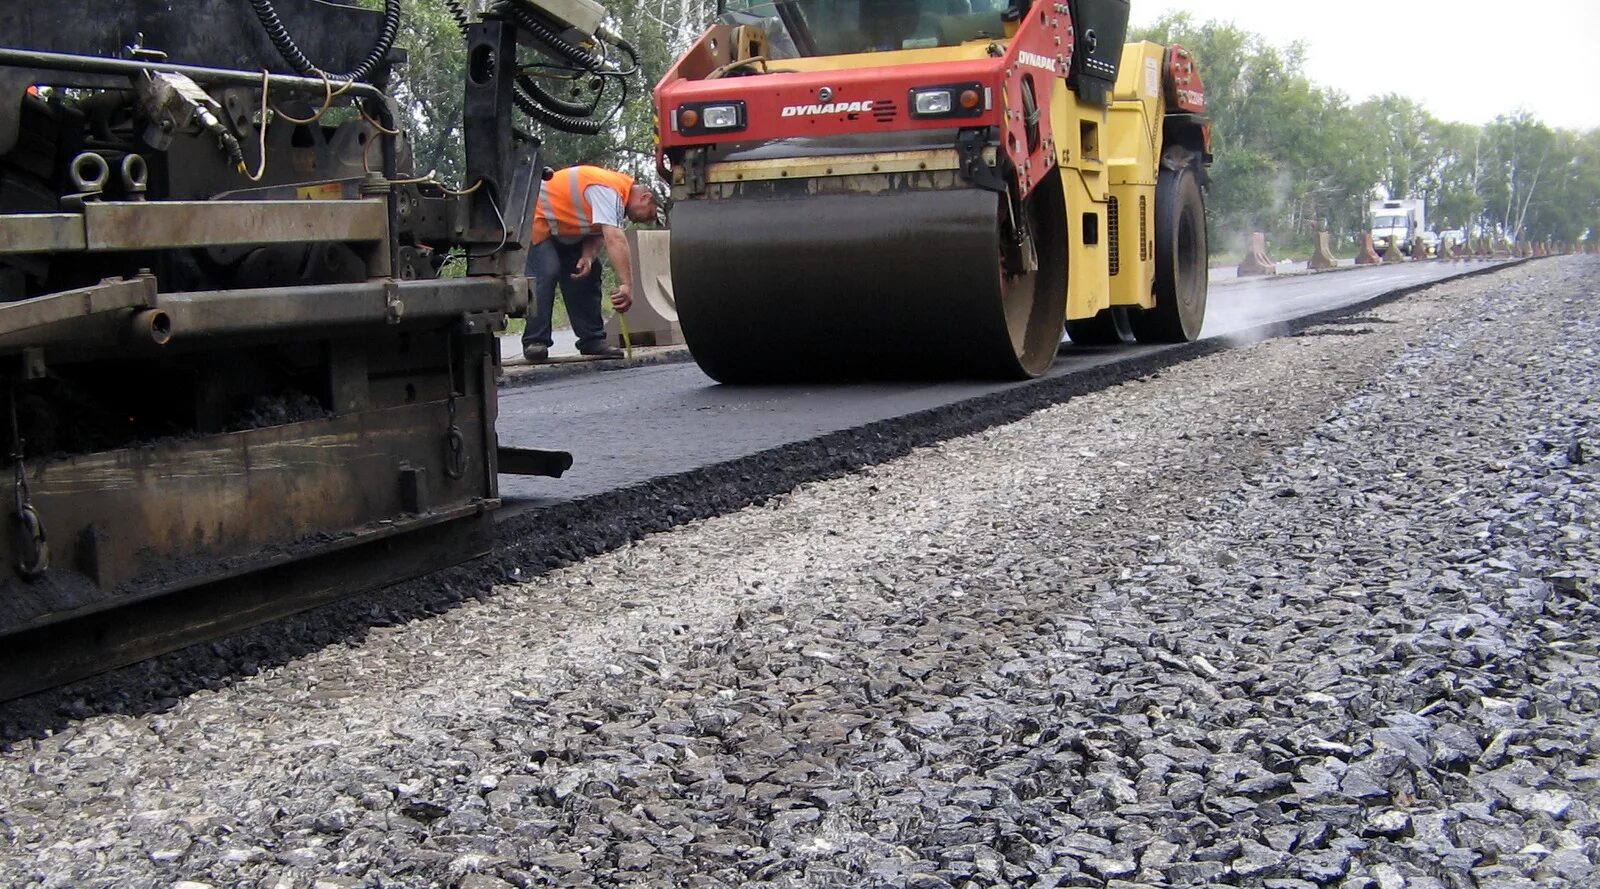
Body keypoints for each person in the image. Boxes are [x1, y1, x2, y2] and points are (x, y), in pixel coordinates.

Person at [522, 165, 659, 363]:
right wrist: (627, 285)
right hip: (537, 219)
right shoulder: (608, 189)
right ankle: (535, 342)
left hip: (564, 230)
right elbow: (615, 239)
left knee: (587, 271)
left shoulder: (616, 196)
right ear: (645, 198)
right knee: (546, 270)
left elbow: (597, 233)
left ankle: (592, 340)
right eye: (651, 214)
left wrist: (587, 256)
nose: (645, 221)